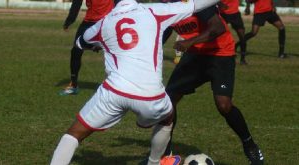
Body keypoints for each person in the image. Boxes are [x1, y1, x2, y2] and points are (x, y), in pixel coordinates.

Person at [50, 0, 219, 164]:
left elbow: (81, 42)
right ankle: (154, 163)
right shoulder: (154, 11)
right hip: (150, 95)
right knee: (168, 117)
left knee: (74, 134)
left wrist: (97, 45)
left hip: (114, 92)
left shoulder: (103, 23)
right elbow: (197, 4)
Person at [160, 3, 264, 165]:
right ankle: (165, 156)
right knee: (168, 102)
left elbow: (218, 28)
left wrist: (189, 42)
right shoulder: (167, 9)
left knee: (224, 105)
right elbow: (161, 36)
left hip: (220, 53)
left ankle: (249, 144)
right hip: (195, 55)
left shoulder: (196, 4)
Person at [59, 0, 114, 95]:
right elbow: (77, 2)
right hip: (89, 21)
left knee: (114, 53)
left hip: (106, 21)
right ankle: (73, 85)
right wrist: (70, 19)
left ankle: (115, 86)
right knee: (76, 50)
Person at [218, 0, 247, 65]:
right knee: (219, 36)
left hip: (235, 14)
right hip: (223, 14)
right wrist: (220, 4)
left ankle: (243, 59)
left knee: (242, 37)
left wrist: (247, 7)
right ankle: (219, 56)